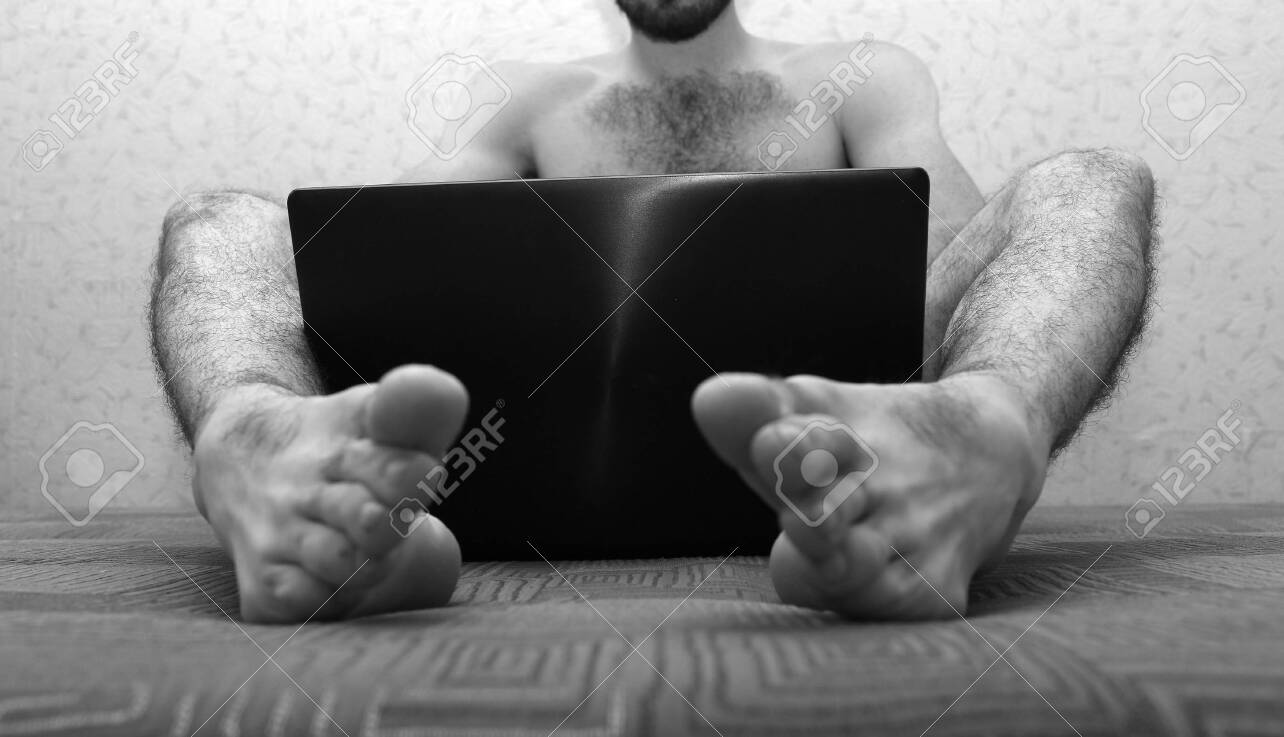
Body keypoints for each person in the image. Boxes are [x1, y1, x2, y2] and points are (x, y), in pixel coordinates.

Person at [150, 0, 1156, 623]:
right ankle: (254, 442)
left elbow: (956, 260)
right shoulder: (528, 98)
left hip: (827, 463)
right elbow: (380, 259)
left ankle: (987, 431)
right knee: (219, 219)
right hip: (523, 473)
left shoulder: (859, 72)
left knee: (1093, 177)